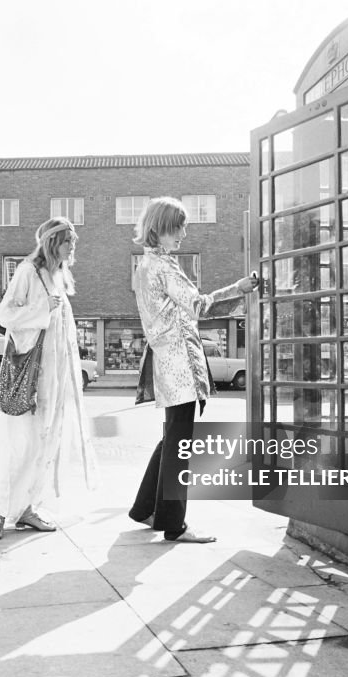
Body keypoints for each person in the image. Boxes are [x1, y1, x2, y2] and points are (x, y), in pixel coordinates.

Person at [129, 196, 259, 543]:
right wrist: (239, 288)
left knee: (172, 437)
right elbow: (198, 305)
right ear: (160, 228)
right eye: (178, 228)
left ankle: (144, 509)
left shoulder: (145, 266)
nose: (183, 234)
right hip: (180, 364)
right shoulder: (165, 267)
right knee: (179, 444)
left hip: (165, 360)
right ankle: (175, 525)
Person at [0, 217, 98, 539]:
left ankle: (27, 508)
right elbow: (5, 314)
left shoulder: (59, 275)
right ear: (52, 242)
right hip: (28, 375)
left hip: (51, 375)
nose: (72, 247)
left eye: (73, 242)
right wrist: (42, 308)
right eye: (67, 241)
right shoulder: (27, 271)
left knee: (41, 445)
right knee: (15, 444)